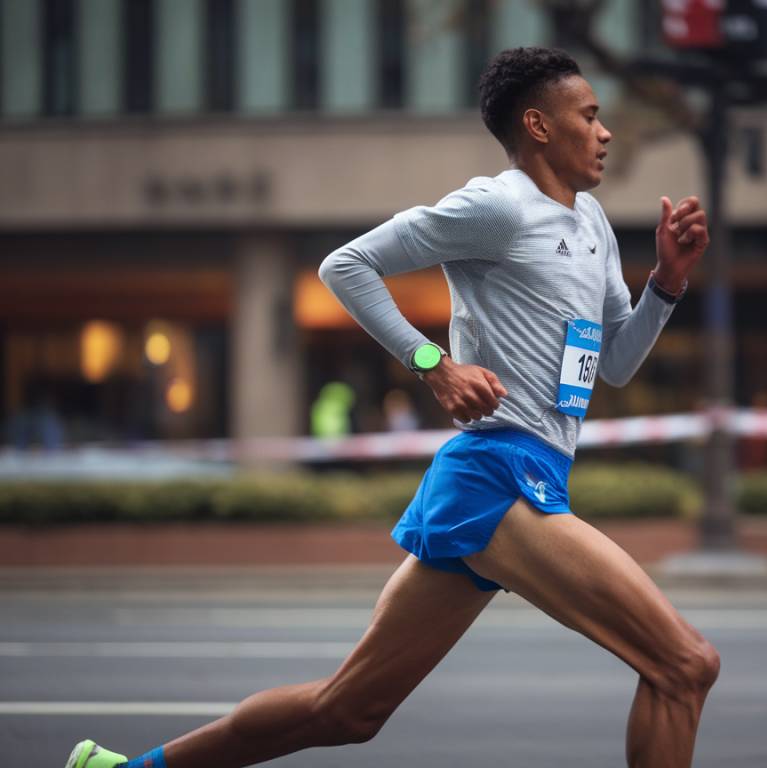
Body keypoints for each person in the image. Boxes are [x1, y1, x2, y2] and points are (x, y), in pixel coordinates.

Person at [66, 46, 717, 768]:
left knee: (349, 709)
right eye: (589, 116)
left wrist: (664, 284)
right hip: (500, 476)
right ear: (537, 125)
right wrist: (433, 365)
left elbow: (617, 366)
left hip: (523, 477)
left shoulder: (592, 223)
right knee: (683, 665)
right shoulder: (498, 207)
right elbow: (345, 266)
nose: (605, 132)